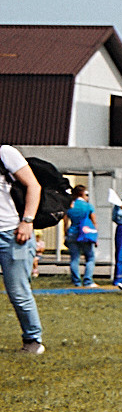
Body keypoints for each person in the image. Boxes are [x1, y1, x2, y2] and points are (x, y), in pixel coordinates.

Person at [1, 144, 46, 353]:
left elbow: (34, 186)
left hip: (12, 234)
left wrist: (27, 221)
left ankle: (32, 340)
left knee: (18, 291)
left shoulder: (5, 153)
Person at [65, 184, 98, 287]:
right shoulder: (88, 206)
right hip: (85, 234)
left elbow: (65, 222)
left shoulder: (70, 205)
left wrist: (66, 234)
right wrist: (95, 236)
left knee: (74, 259)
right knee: (90, 258)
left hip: (72, 232)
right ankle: (88, 280)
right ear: (82, 194)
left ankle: (77, 282)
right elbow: (94, 222)